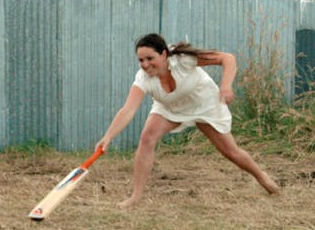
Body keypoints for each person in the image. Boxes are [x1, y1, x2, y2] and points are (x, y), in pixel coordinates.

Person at [96, 33, 279, 208]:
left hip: (204, 104)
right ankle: (135, 197)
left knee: (231, 152)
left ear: (164, 54)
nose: (145, 65)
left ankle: (262, 177)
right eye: (141, 60)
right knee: (147, 138)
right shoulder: (143, 78)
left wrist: (226, 86)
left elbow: (227, 58)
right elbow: (128, 110)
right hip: (171, 108)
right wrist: (108, 136)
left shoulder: (183, 59)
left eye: (150, 58)